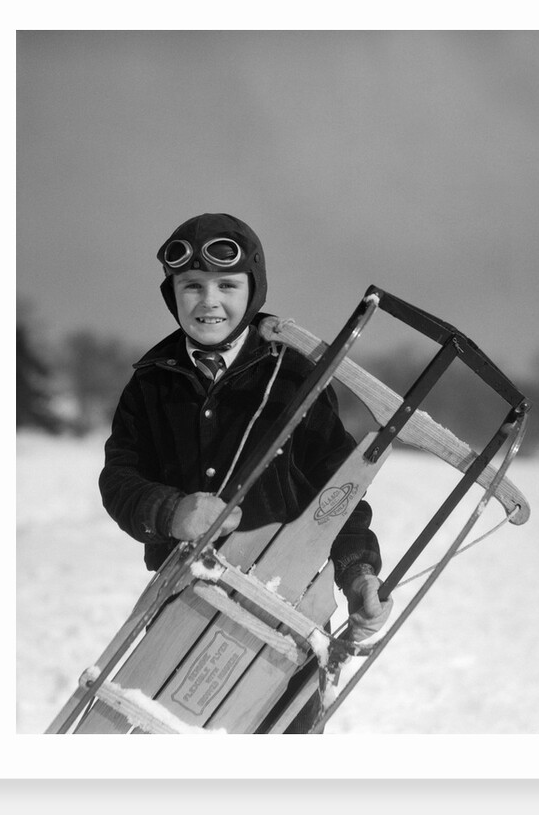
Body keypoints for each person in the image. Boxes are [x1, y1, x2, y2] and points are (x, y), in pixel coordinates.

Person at [99, 212, 391, 732]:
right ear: (173, 293)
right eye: (192, 285)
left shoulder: (298, 373)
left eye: (227, 285)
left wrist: (357, 573)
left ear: (252, 290)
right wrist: (169, 511)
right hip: (185, 603)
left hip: (289, 609)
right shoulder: (150, 384)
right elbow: (119, 481)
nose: (209, 301)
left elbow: (337, 491)